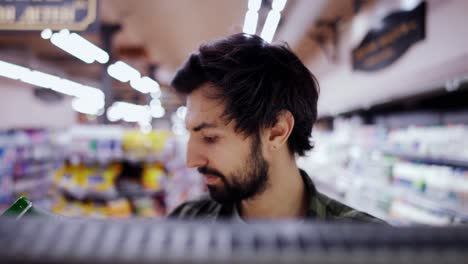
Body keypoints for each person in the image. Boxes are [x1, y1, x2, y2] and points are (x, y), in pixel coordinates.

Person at [169, 33, 383, 223]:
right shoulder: (185, 223)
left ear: (276, 131)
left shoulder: (374, 248)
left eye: (209, 137)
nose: (191, 161)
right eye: (191, 134)